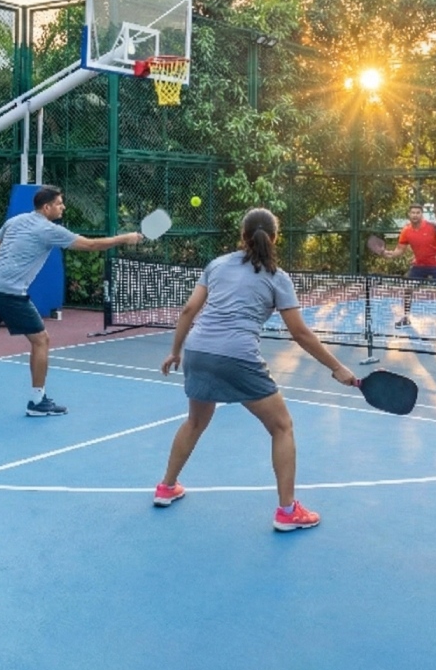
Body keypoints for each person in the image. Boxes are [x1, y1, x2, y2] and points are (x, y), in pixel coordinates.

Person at [153, 208, 358, 532]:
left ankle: (166, 488)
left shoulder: (217, 265)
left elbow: (189, 309)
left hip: (197, 350)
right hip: (237, 357)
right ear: (275, 238)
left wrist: (175, 352)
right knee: (282, 427)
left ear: (242, 235)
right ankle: (288, 511)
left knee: (195, 422)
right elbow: (300, 333)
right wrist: (337, 368)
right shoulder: (278, 277)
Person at [0, 185, 142, 416]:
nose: (63, 207)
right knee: (41, 340)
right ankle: (37, 402)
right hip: (9, 291)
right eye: (59, 203)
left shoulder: (16, 221)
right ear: (47, 207)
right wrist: (124, 238)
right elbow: (90, 245)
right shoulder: (48, 230)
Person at [382, 203, 436, 333]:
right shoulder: (406, 230)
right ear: (409, 215)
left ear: (421, 214)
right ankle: (406, 317)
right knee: (408, 289)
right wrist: (391, 254)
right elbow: (400, 249)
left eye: (418, 212)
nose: (415, 215)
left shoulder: (433, 227)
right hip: (419, 265)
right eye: (413, 213)